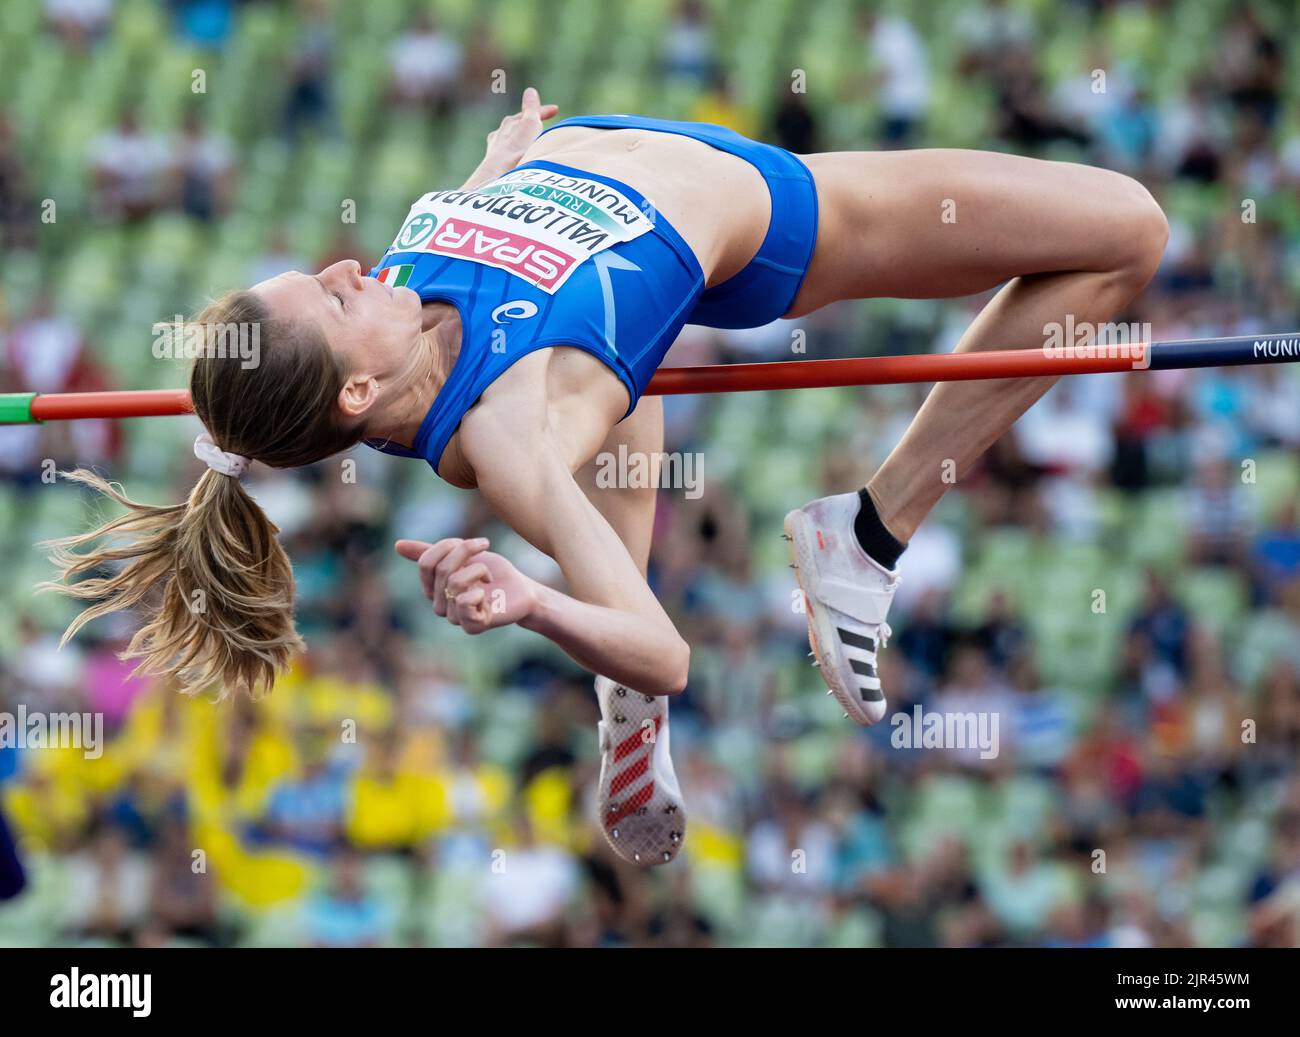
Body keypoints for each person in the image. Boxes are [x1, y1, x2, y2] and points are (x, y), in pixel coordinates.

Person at [44, 88, 1168, 865]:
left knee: (638, 387)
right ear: (352, 393)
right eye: (332, 295)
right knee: (1126, 229)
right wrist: (534, 600)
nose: (347, 267)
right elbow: (671, 649)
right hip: (755, 219)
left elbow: (470, 234)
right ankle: (865, 535)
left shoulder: (391, 305)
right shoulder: (511, 431)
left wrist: (500, 161)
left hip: (623, 183)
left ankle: (622, 712)